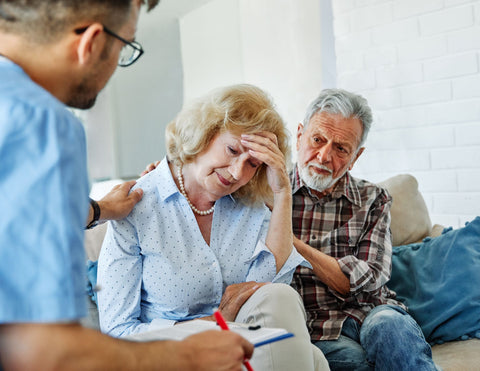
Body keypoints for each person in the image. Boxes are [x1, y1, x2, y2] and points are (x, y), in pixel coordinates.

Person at [0, 1, 255, 370]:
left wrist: (100, 210)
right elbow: (47, 352)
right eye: (125, 46)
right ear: (91, 42)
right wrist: (186, 355)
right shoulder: (40, 122)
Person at [97, 84, 329, 371]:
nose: (236, 173)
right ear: (204, 133)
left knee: (294, 326)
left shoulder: (249, 205)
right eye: (232, 150)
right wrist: (214, 324)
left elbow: (271, 295)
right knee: (311, 360)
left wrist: (282, 195)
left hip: (240, 354)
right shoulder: (138, 206)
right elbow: (117, 332)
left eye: (253, 164)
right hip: (173, 357)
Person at [290, 88, 439, 370]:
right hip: (314, 329)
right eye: (318, 139)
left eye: (340, 148)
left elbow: (368, 277)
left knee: (390, 325)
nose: (323, 156)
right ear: (299, 135)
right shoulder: (270, 194)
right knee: (357, 363)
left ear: (355, 156)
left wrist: (293, 244)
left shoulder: (374, 199)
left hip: (372, 313)